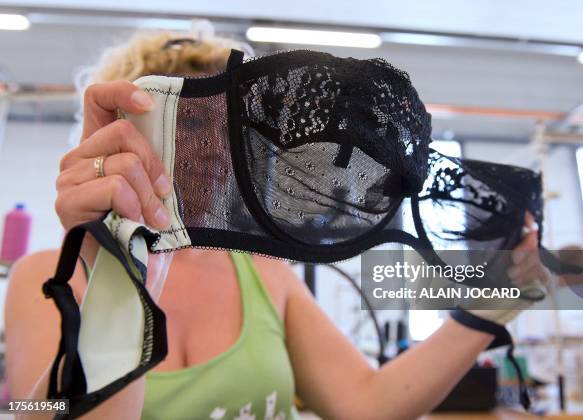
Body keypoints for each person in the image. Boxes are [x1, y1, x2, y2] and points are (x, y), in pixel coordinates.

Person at [5, 31, 549, 420]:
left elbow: (366, 403)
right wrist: (113, 269)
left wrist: (488, 307)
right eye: (187, 122)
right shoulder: (45, 277)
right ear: (123, 131)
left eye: (231, 131)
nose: (212, 151)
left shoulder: (261, 272)